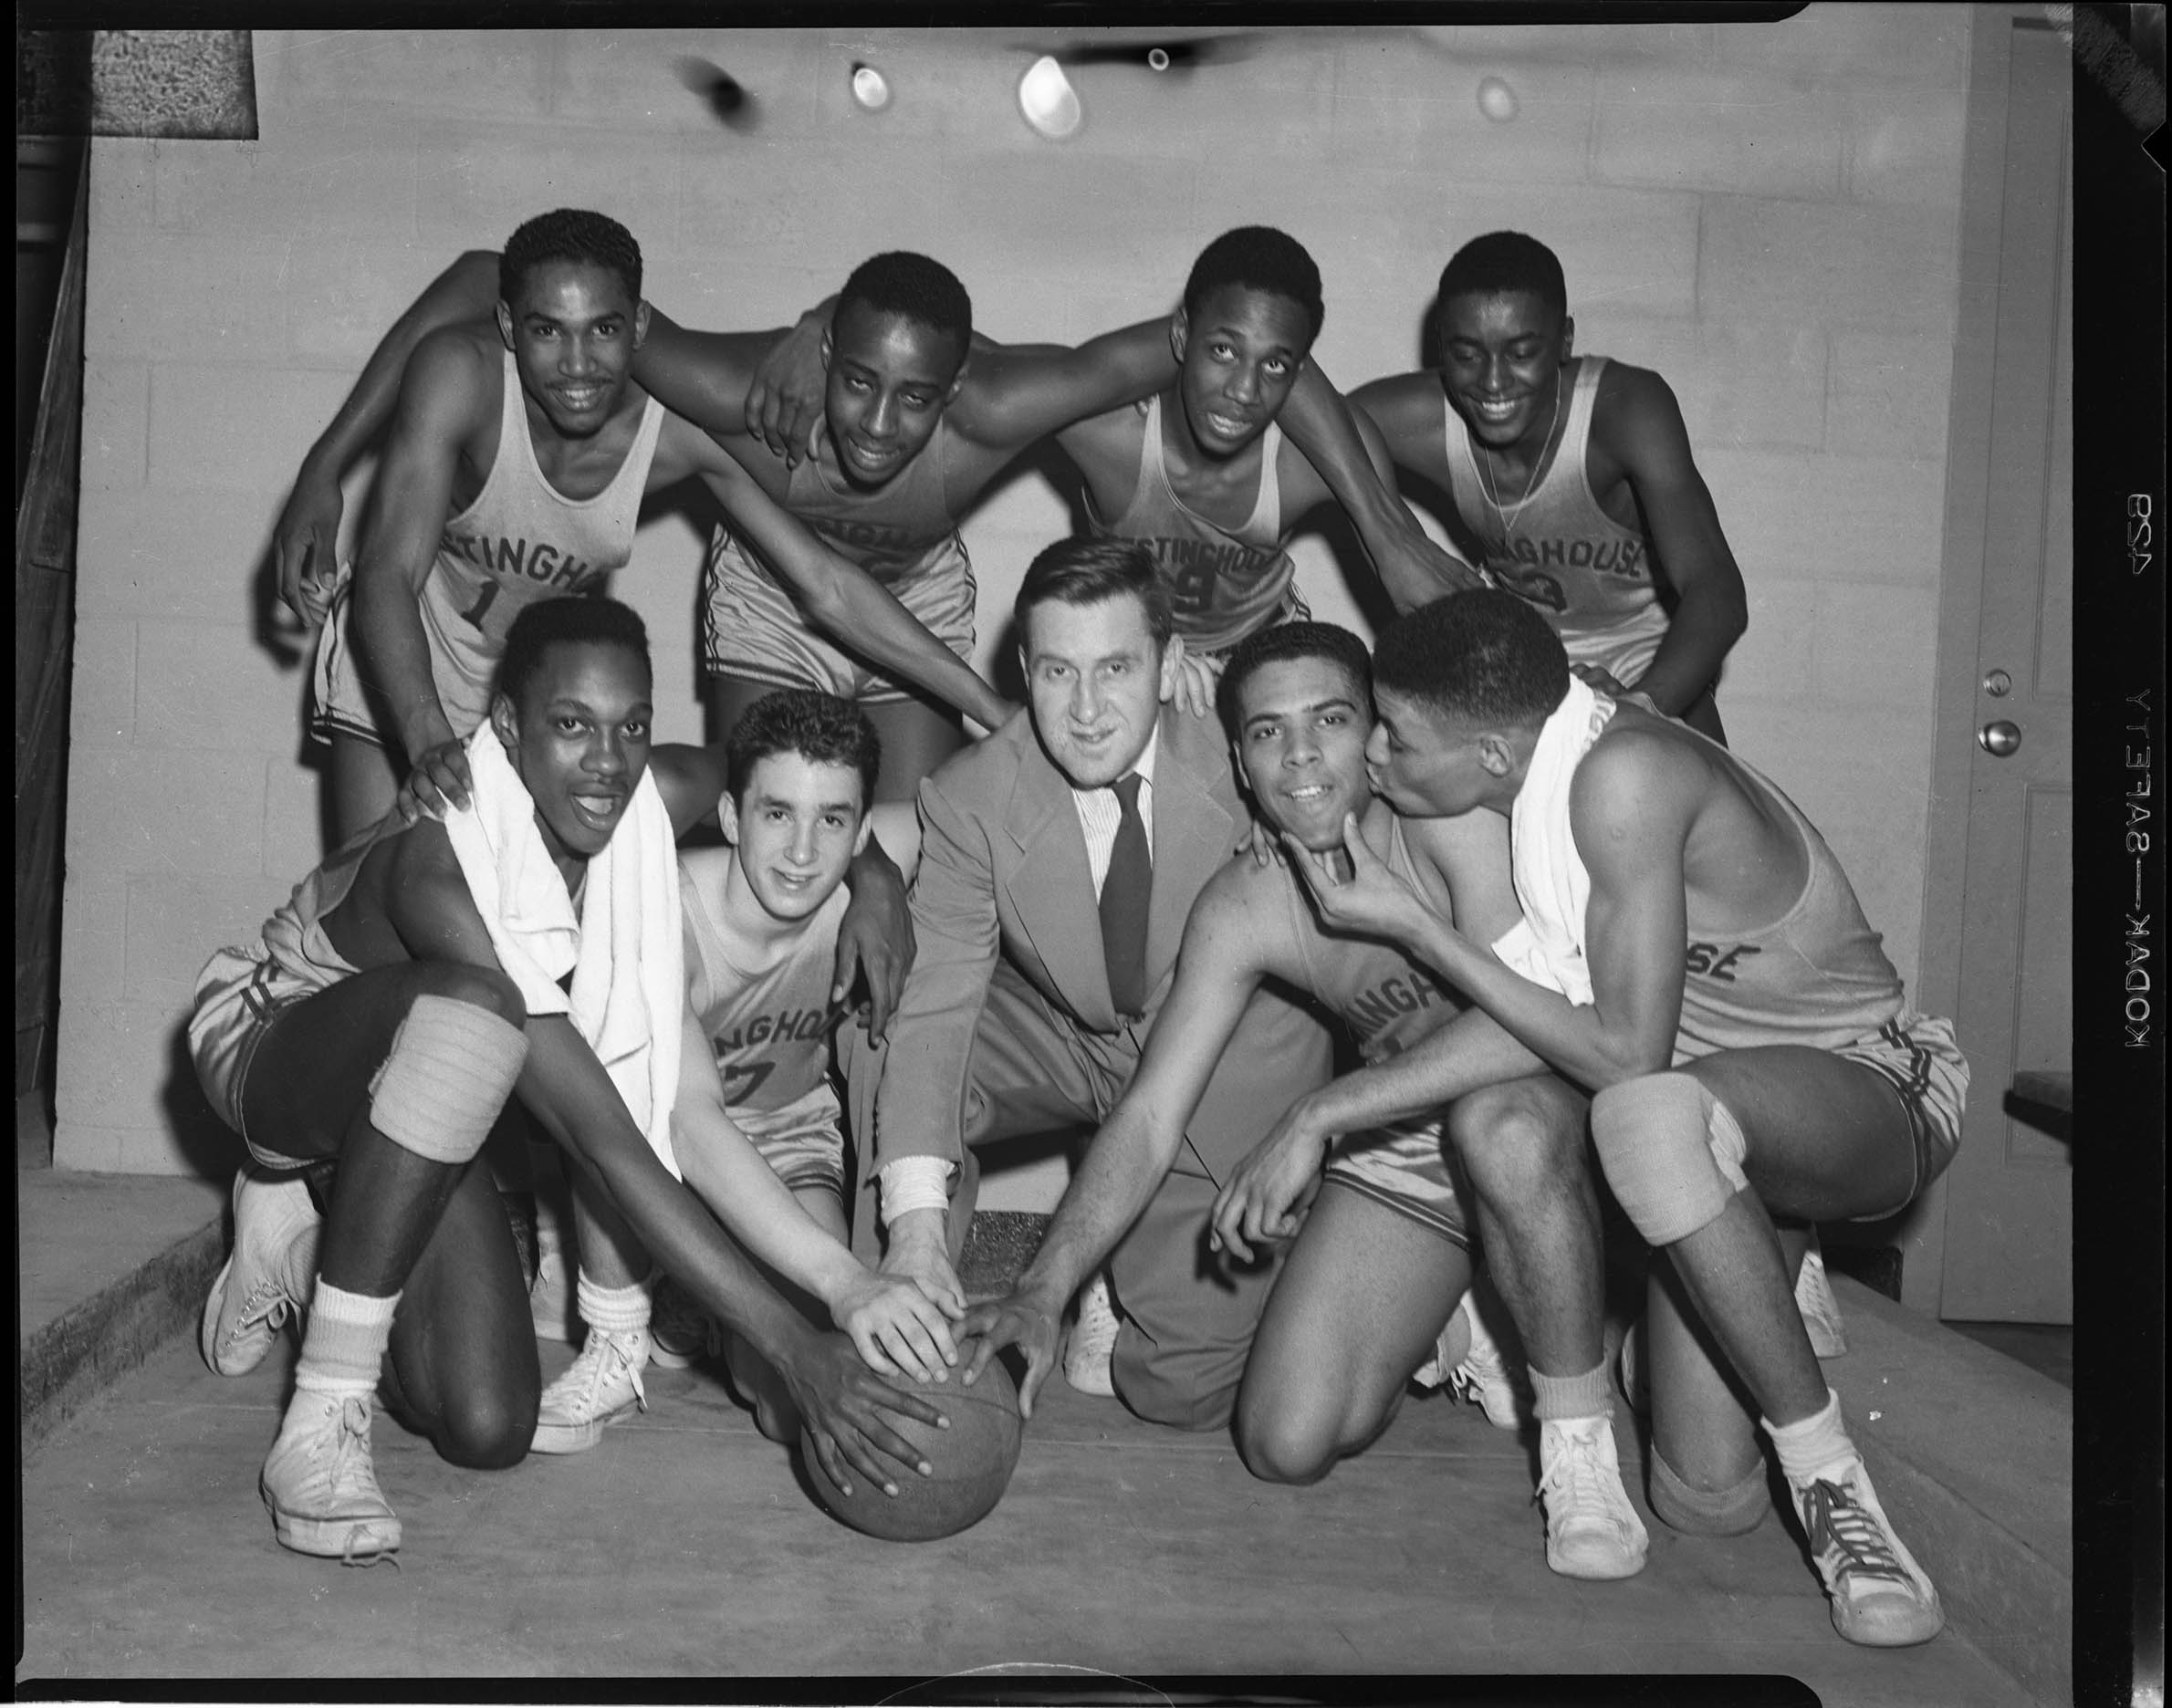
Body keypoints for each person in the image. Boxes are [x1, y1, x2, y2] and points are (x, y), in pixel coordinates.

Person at [1259, 588, 1963, 1648]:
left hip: (1859, 1084)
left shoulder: (1623, 778)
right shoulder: (1544, 768)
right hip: (1699, 1108)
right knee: (1706, 1496)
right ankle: (1584, 1427)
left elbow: (1626, 1053)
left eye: (1397, 741)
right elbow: (1531, 1024)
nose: (1380, 765)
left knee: (1648, 1115)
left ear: (1492, 755)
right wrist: (1323, 1113)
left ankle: (1838, 1499)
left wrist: (1413, 926)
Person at [187, 597, 951, 1563]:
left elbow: (797, 783)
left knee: (485, 1422)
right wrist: (801, 1344)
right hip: (282, 1039)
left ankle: (300, 1239)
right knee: (475, 1008)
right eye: (571, 725)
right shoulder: (442, 863)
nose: (607, 759)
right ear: (507, 725)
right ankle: (317, 1421)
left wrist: (872, 876)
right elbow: (605, 1137)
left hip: (424, 1093)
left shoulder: (652, 790)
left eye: (631, 723)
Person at [287, 242, 1447, 864]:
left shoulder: (1007, 402)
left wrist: (1390, 538)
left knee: (914, 856)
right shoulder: (726, 396)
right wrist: (322, 469)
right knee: (769, 840)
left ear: (955, 391)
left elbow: (1247, 362)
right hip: (772, 591)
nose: (878, 429)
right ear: (825, 358)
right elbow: (484, 275)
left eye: (913, 401)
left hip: (914, 600)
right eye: (853, 381)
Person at [962, 621, 1645, 1582]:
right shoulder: (1245, 904)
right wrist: (1042, 1290)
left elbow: (1530, 1033)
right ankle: (1464, 1311)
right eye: (1267, 733)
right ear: (1238, 763)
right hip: (1409, 1136)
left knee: (1511, 1127)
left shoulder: (1451, 825)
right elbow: (1151, 1116)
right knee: (1284, 1443)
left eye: (1328, 721)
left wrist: (1316, 1117)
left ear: (1375, 733)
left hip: (1569, 1114)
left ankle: (1579, 1445)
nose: (1301, 758)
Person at [277, 209, 1008, 846]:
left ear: (640, 328)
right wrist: (324, 466)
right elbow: (386, 574)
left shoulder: (678, 433)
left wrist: (994, 710)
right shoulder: (459, 376)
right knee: (374, 922)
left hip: (533, 695)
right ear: (509, 325)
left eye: (603, 331)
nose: (576, 365)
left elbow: (829, 586)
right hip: (403, 662)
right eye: (546, 332)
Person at [851, 537, 1335, 1432]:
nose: (1082, 711)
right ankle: (910, 1291)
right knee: (875, 1027)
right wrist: (911, 1238)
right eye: (1055, 672)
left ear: (1170, 665)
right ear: (1023, 669)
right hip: (1068, 1035)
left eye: (1115, 668)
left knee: (1177, 1391)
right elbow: (938, 1007)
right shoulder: (971, 794)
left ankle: (1347, 1252)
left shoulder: (1250, 748)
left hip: (1220, 1066)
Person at [657, 688, 957, 1443]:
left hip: (791, 1142)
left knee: (798, 1406)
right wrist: (851, 1280)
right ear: (730, 817)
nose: (801, 852)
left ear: (863, 829)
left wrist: (878, 873)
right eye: (776, 813)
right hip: (668, 1160)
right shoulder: (669, 909)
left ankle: (708, 1302)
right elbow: (690, 1121)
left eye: (832, 820)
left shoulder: (871, 851)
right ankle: (670, 1282)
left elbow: (1015, 777)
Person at [1350, 231, 1749, 743]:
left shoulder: (1624, 408)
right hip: (1519, 653)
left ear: (1564, 341)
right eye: (1467, 354)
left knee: (1689, 795)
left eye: (1521, 353)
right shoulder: (1420, 418)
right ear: (1441, 351)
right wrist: (1392, 541)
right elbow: (1303, 423)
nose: (1493, 382)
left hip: (1646, 649)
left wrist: (1639, 707)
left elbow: (1717, 588)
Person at [1057, 226, 1483, 684]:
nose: (1244, 391)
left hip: (1261, 652)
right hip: (1131, 652)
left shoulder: (1313, 456)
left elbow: (1426, 597)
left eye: (1275, 365)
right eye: (1222, 350)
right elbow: (988, 393)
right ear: (1180, 336)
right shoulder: (1108, 431)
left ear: (1299, 372)